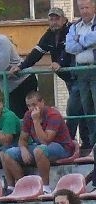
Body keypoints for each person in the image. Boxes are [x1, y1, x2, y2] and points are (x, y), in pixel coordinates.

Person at [11, 8, 86, 149]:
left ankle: (70, 144)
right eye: (51, 19)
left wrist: (61, 62)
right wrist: (21, 66)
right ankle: (80, 144)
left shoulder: (71, 30)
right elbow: (37, 52)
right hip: (69, 79)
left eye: (57, 18)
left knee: (75, 109)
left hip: (80, 76)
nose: (53, 22)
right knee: (79, 110)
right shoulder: (49, 34)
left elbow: (69, 50)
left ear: (64, 19)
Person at [0, 91, 76, 194]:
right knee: (7, 154)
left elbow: (45, 140)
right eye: (28, 106)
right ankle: (25, 186)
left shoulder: (53, 115)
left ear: (42, 102)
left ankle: (45, 187)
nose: (31, 108)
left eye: (34, 105)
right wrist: (23, 149)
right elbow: (23, 139)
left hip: (62, 147)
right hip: (39, 146)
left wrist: (35, 121)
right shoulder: (28, 115)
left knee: (39, 150)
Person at [65, 0, 96, 148]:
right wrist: (87, 42)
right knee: (87, 109)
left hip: (95, 69)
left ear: (94, 7)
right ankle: (92, 144)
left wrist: (80, 40)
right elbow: (69, 47)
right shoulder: (75, 26)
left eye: (87, 7)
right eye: (81, 8)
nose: (84, 11)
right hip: (81, 72)